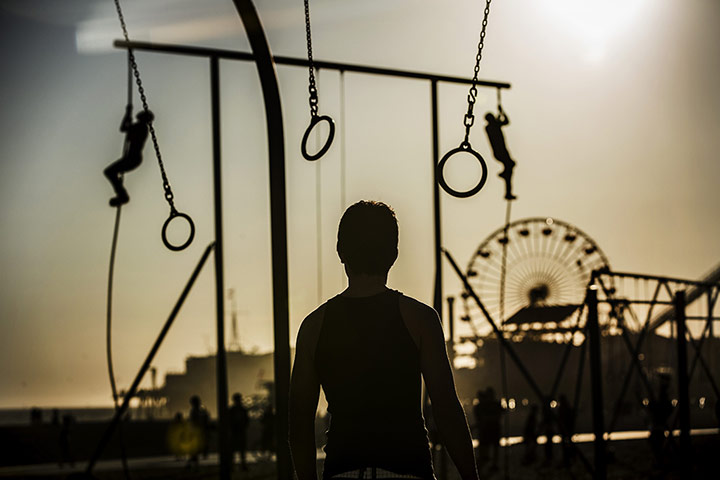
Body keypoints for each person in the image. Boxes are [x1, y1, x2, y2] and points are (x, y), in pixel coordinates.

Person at [289, 201, 479, 480]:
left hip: (342, 471)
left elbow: (299, 422)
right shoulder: (420, 319)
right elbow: (446, 408)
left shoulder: (313, 326)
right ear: (394, 254)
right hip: (408, 470)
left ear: (340, 252)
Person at [104, 106, 154, 206]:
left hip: (133, 158)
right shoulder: (139, 127)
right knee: (110, 172)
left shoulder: (141, 127)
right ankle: (121, 193)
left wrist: (128, 114)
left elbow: (124, 129)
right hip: (132, 158)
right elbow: (124, 129)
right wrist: (127, 115)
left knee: (109, 172)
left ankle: (122, 195)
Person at [484, 109, 516, 201]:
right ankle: (508, 192)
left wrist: (501, 114)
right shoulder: (492, 126)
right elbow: (506, 121)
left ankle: (508, 190)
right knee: (510, 167)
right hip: (501, 152)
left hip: (501, 152)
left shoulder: (490, 126)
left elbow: (504, 122)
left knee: (510, 168)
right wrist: (502, 112)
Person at [188, 395, 210, 468]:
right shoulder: (200, 411)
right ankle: (194, 463)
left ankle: (192, 463)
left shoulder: (196, 411)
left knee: (196, 449)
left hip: (198, 431)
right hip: (198, 431)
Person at [230, 393, 250, 470]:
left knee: (237, 450)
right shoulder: (242, 410)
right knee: (240, 450)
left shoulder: (233, 410)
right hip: (239, 431)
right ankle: (241, 465)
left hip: (237, 431)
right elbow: (246, 421)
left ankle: (235, 465)